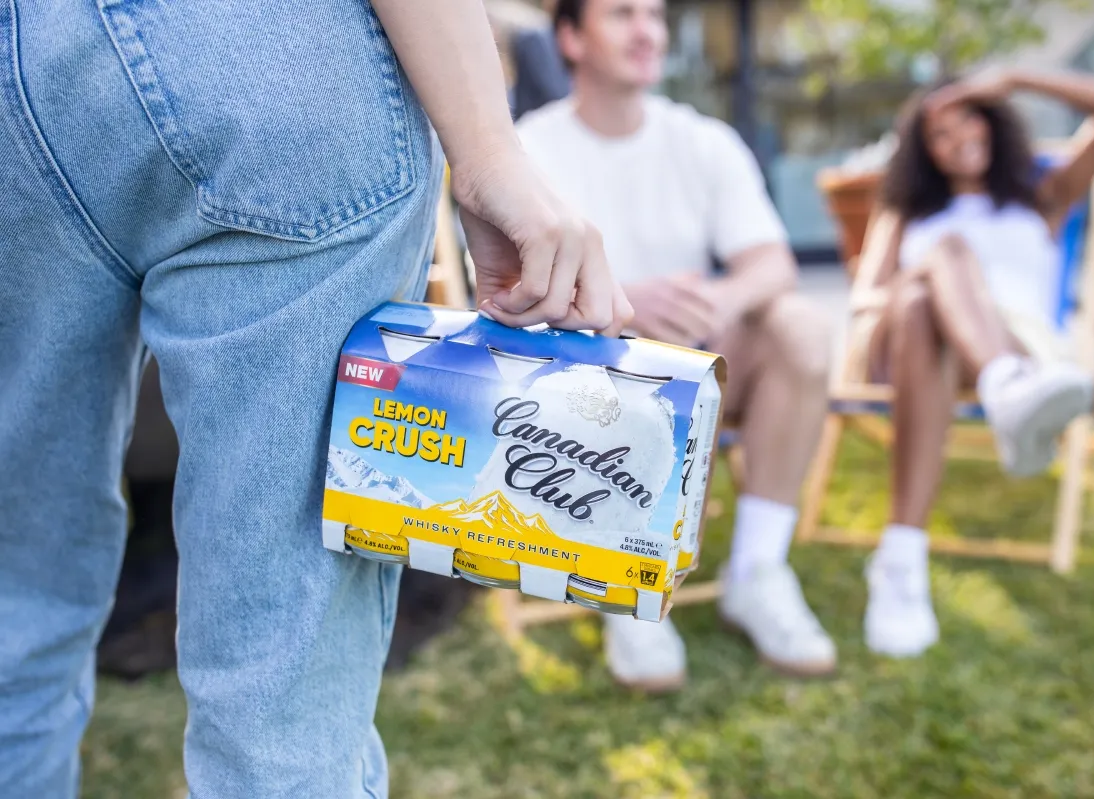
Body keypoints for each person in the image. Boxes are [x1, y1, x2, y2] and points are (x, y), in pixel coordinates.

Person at [0, 1, 630, 796]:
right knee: (281, 700)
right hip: (280, 62)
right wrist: (487, 150)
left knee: (13, 608)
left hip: (20, 62)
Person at [518, 0, 837, 693]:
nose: (647, 32)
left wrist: (716, 305)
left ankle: (758, 571)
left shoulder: (705, 141)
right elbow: (515, 289)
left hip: (700, 367)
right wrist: (626, 303)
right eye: (622, 13)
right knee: (596, 343)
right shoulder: (530, 147)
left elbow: (771, 263)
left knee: (801, 326)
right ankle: (624, 576)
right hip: (582, 377)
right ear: (570, 38)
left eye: (656, 16)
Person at [853, 68, 1094, 657]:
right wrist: (928, 274)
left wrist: (1016, 77)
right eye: (939, 134)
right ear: (923, 152)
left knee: (931, 291)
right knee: (931, 281)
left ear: (992, 119)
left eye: (969, 118)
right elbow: (866, 296)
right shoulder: (906, 210)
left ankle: (900, 561)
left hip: (1020, 340)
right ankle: (1005, 389)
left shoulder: (1045, 195)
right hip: (910, 345)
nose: (957, 139)